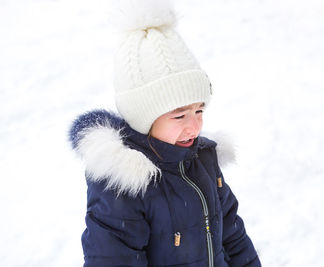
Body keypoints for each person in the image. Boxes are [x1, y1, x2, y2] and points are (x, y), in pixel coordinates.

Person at [69, 0, 261, 266]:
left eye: (199, 111)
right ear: (143, 117)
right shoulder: (124, 184)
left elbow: (233, 236)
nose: (194, 126)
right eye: (180, 115)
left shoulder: (203, 160)